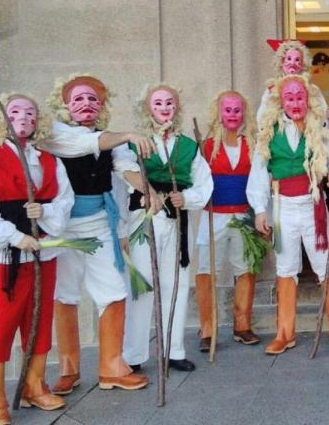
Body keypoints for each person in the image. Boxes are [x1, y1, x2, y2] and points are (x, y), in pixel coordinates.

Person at [40, 74, 151, 394]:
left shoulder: (109, 139)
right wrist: (128, 133)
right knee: (65, 295)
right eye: (78, 99)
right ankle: (69, 369)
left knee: (115, 292)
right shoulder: (55, 135)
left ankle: (111, 367)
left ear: (102, 106)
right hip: (62, 230)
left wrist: (148, 191)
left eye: (93, 100)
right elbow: (81, 145)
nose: (86, 105)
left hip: (100, 225)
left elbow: (125, 167)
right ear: (64, 106)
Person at [0, 93, 74, 423]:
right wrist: (16, 237)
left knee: (39, 325)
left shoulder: (49, 161)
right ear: (3, 117)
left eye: (31, 111)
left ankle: (33, 386)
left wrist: (43, 212)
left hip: (43, 258)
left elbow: (64, 202)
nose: (24, 116)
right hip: (3, 264)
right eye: (15, 111)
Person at [247, 75, 329, 355]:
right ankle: (285, 333)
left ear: (308, 100)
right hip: (282, 208)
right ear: (281, 101)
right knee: (285, 268)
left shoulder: (319, 131)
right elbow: (258, 173)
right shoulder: (269, 132)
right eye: (290, 97)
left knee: (326, 266)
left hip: (313, 206)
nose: (295, 102)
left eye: (300, 97)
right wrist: (260, 210)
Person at [121, 83, 213, 373]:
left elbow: (204, 184)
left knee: (177, 283)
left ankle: (174, 351)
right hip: (144, 220)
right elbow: (124, 171)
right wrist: (149, 193)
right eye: (158, 103)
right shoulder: (136, 143)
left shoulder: (188, 146)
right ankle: (134, 355)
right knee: (143, 285)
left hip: (177, 221)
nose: (164, 107)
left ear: (177, 107)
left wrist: (185, 198)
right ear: (148, 108)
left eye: (169, 102)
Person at [194, 90, 262, 351]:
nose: (233, 114)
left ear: (243, 113)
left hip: (243, 215)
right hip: (214, 217)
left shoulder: (252, 145)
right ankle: (207, 329)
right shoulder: (206, 146)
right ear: (219, 112)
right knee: (206, 271)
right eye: (228, 110)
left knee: (245, 269)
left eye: (237, 110)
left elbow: (258, 182)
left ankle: (242, 325)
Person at [256, 39, 327, 124]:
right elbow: (260, 119)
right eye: (288, 59)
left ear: (303, 64)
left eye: (297, 60)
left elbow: (323, 118)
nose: (292, 63)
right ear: (281, 62)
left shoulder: (311, 89)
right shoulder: (271, 90)